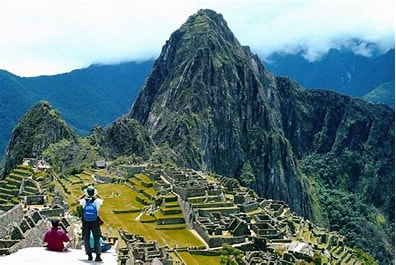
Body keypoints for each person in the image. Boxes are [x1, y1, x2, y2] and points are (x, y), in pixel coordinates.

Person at [79, 185, 104, 261]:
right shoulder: (97, 201)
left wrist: (84, 194)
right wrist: (96, 194)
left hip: (85, 221)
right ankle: (98, 255)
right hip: (95, 221)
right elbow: (102, 199)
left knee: (86, 237)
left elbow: (78, 199)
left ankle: (89, 254)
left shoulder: (84, 201)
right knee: (97, 238)